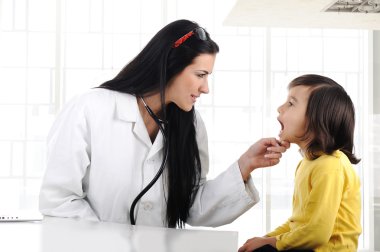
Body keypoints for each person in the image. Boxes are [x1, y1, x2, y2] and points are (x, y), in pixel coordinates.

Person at [39, 19, 288, 228]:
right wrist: (111, 243)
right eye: (200, 75)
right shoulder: (90, 109)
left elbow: (192, 206)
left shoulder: (191, 124)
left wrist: (245, 165)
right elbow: (59, 200)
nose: (205, 88)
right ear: (170, 65)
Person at [238, 74, 362, 252]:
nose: (280, 108)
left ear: (316, 119)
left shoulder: (330, 166)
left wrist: (271, 243)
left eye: (291, 103)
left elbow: (317, 233)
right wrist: (266, 239)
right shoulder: (307, 164)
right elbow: (299, 223)